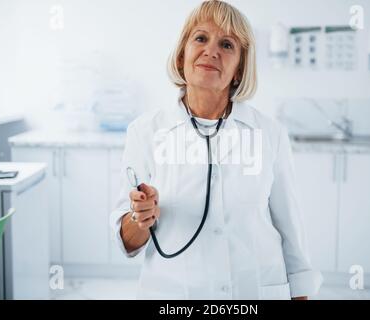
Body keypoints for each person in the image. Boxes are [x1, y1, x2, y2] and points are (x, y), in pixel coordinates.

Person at [110, 0, 322, 300]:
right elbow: (128, 241)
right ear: (183, 54)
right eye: (200, 38)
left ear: (238, 70)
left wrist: (301, 294)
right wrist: (139, 217)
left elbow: (291, 230)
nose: (211, 50)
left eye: (227, 44)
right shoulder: (145, 132)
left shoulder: (269, 134)